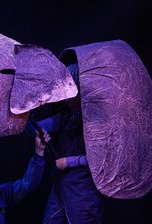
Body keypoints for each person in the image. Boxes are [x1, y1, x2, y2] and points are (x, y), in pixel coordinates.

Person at [40, 63, 105, 224]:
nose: (66, 96)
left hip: (83, 192)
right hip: (62, 185)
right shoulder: (66, 117)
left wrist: (69, 162)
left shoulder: (97, 122)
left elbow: (100, 160)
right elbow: (40, 126)